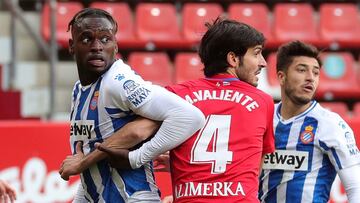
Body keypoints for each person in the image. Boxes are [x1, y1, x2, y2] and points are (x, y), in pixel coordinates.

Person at [96, 18, 276, 202]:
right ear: (233, 59)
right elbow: (253, 168)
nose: (263, 62)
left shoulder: (176, 95)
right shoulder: (262, 101)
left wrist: (85, 160)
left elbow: (136, 132)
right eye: (256, 54)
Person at [59, 8, 205, 203]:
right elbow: (91, 164)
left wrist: (138, 156)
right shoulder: (79, 89)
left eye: (105, 39)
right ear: (71, 45)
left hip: (132, 197)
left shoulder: (118, 82)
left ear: (116, 46)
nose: (97, 46)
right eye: (86, 39)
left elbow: (190, 116)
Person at [259, 40, 360, 203]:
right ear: (281, 76)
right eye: (301, 70)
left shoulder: (330, 124)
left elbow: (356, 187)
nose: (310, 78)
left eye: (315, 72)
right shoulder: (262, 118)